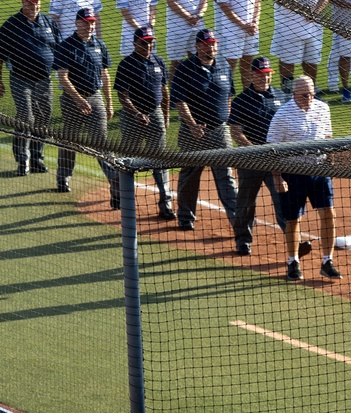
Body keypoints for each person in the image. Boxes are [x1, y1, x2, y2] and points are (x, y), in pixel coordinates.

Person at [229, 57, 312, 258]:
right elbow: (236, 132)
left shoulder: (281, 96)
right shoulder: (242, 100)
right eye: (260, 74)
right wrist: (255, 151)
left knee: (283, 199)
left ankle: (295, 243)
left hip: (276, 160)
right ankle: (243, 242)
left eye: (267, 74)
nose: (264, 78)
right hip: (251, 160)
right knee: (246, 202)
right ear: (251, 75)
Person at [268, 76, 340, 281]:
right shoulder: (282, 115)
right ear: (294, 95)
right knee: (293, 220)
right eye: (304, 95)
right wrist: (277, 177)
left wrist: (331, 162)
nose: (309, 98)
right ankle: (293, 262)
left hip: (319, 171)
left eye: (311, 94)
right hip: (293, 174)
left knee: (329, 213)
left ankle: (327, 261)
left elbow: (327, 138)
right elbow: (271, 148)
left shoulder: (322, 109)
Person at [170, 29, 238, 231]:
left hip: (220, 131)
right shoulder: (185, 68)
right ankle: (185, 217)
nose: (212, 47)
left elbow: (229, 95)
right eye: (207, 44)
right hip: (193, 133)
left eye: (214, 43)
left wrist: (225, 119)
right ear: (198, 46)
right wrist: (192, 125)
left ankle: (237, 222)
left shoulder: (224, 65)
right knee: (190, 175)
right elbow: (179, 100)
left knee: (226, 177)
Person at [0, 0, 61, 176]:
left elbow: (59, 49)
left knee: (43, 118)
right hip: (20, 79)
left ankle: (37, 158)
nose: (34, 5)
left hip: (44, 80)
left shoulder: (49, 22)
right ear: (23, 2)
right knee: (26, 117)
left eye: (37, 2)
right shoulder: (11, 25)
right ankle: (22, 161)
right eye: (31, 2)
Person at [54, 8, 118, 204]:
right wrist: (78, 99)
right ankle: (63, 177)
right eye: (86, 22)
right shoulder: (66, 46)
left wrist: (108, 102)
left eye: (92, 22)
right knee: (70, 140)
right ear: (77, 23)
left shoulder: (99, 45)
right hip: (72, 101)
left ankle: (116, 188)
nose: (90, 26)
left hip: (95, 97)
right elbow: (63, 77)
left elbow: (105, 76)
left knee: (102, 143)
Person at [114, 27, 174, 220]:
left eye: (150, 42)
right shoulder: (126, 64)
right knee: (128, 161)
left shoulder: (158, 62)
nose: (148, 46)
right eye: (144, 42)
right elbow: (122, 96)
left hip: (155, 114)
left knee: (159, 159)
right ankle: (119, 196)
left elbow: (164, 92)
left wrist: (164, 116)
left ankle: (166, 204)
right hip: (132, 117)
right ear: (135, 43)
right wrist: (137, 113)